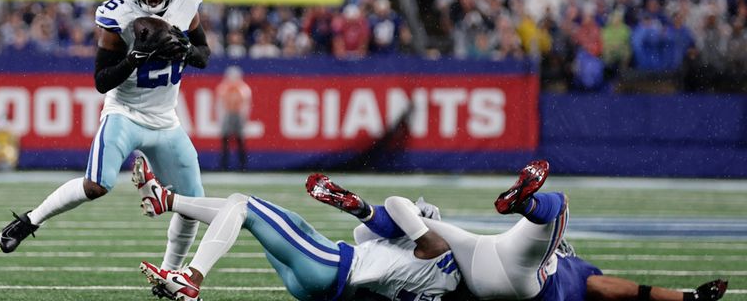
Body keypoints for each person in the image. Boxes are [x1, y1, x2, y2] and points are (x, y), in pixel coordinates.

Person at [0, 0, 211, 279]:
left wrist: (183, 47)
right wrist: (134, 58)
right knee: (96, 184)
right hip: (125, 112)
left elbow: (203, 55)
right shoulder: (119, 14)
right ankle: (30, 220)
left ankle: (169, 273)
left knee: (193, 204)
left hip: (166, 119)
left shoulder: (186, 0)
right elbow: (102, 81)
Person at [306, 161, 728, 301]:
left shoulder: (573, 268)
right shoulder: (577, 273)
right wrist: (685, 296)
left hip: (480, 264)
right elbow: (618, 290)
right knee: (419, 225)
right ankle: (524, 203)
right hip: (501, 278)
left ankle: (362, 210)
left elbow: (610, 288)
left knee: (559, 206)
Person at [131, 154, 460, 301]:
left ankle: (191, 279)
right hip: (324, 288)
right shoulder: (441, 286)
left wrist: (418, 214)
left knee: (243, 205)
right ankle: (166, 200)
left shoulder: (441, 254)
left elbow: (395, 208)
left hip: (333, 265)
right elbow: (370, 238)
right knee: (244, 214)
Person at [215, 65, 252, 170]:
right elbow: (219, 105)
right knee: (226, 140)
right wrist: (220, 119)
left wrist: (244, 119)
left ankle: (242, 165)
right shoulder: (224, 88)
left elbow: (246, 106)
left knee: (239, 140)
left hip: (238, 115)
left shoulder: (243, 88)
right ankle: (225, 165)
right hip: (228, 114)